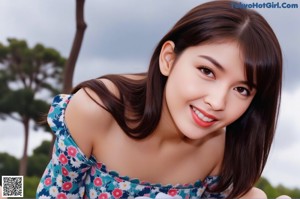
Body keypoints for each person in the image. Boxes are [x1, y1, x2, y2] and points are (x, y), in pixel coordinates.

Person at [36, 0, 284, 198]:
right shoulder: (97, 109)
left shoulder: (221, 149)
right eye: (207, 71)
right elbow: (57, 194)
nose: (218, 102)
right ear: (169, 59)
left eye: (241, 89)